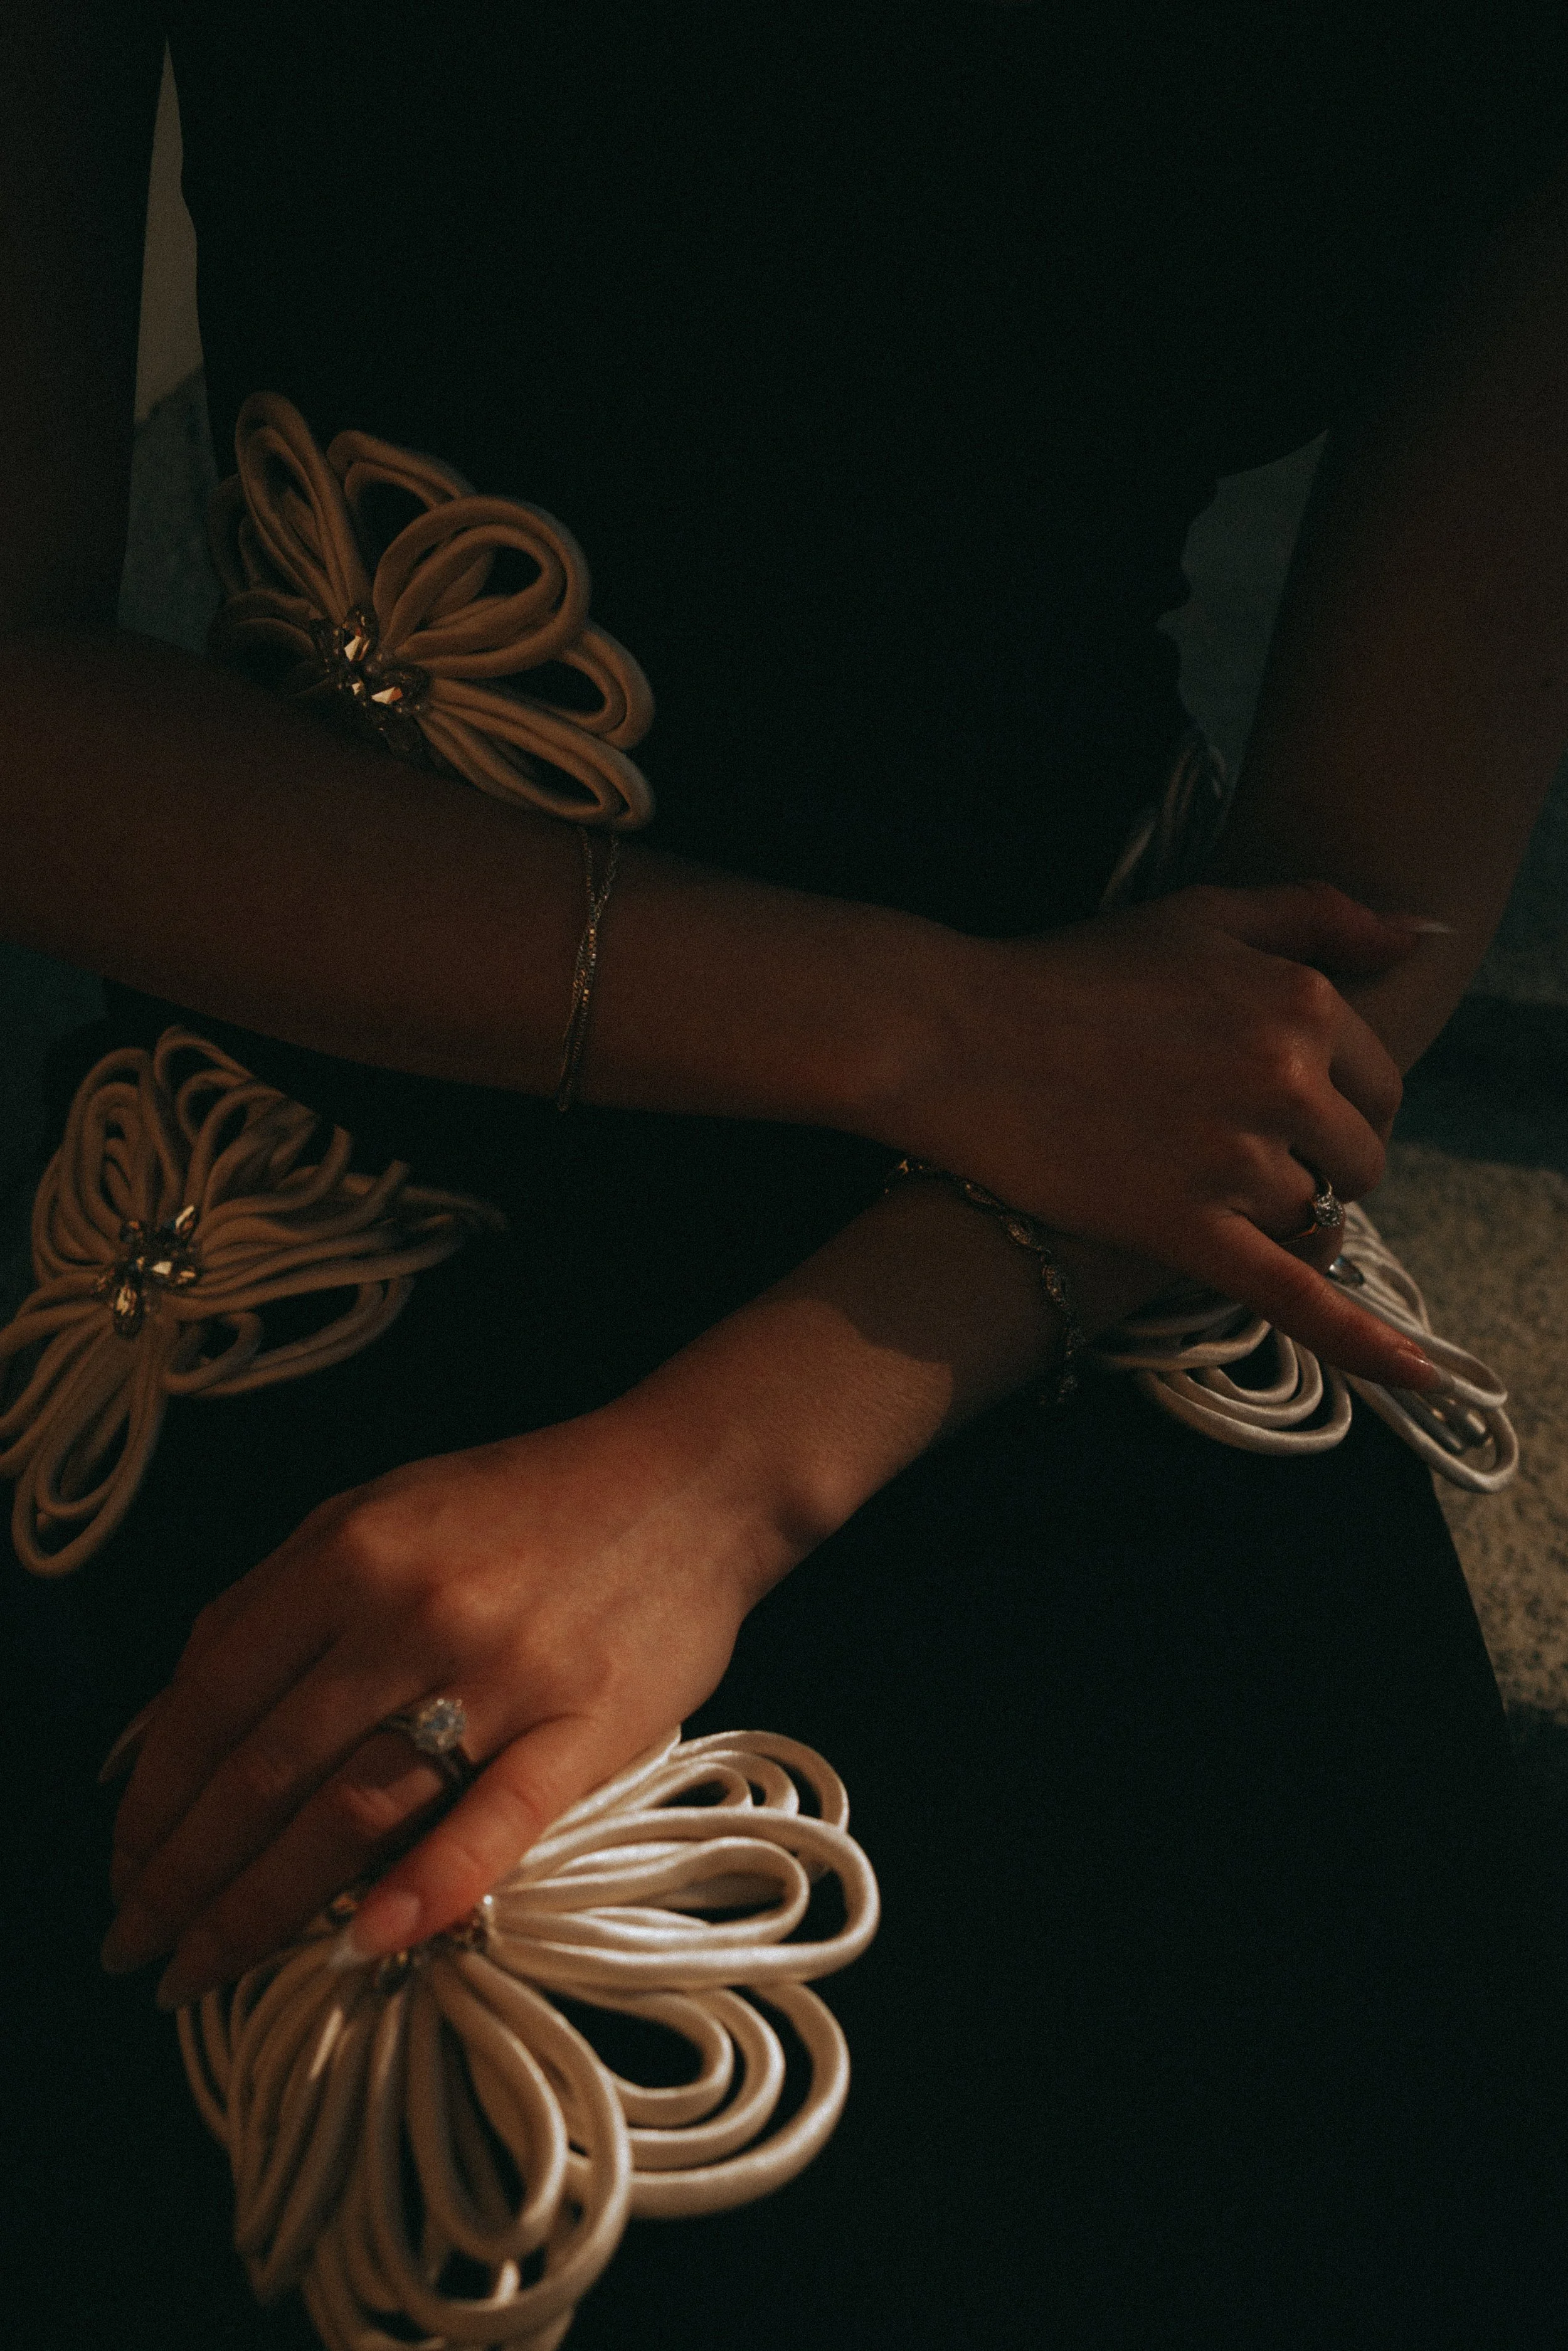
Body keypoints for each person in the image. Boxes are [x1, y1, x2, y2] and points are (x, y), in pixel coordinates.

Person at [4, 4, 1568, 2343]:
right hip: (340, 1061)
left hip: (1077, 1211)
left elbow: (1351, 899)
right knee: (472, 2166)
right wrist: (929, 1029)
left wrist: (726, 1465)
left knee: (1286, 2077)